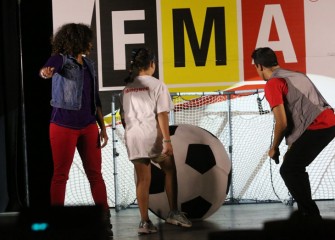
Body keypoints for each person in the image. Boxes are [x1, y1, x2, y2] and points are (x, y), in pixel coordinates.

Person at [39, 23, 113, 237]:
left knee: (96, 175)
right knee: (61, 175)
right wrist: (45, 72)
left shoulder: (89, 64)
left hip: (88, 126)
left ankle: (104, 221)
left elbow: (95, 99)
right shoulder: (62, 60)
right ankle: (56, 222)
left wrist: (102, 127)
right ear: (77, 41)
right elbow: (49, 67)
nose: (90, 43)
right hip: (63, 126)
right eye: (88, 40)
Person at [251, 47, 335, 220]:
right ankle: (308, 213)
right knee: (293, 167)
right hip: (329, 123)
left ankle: (311, 216)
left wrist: (274, 147)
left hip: (317, 126)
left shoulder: (273, 84)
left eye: (255, 67)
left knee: (289, 169)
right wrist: (291, 146)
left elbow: (282, 123)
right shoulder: (296, 75)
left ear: (259, 66)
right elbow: (302, 112)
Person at [119, 47, 192, 234]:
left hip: (133, 137)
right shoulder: (157, 85)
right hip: (152, 136)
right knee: (170, 169)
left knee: (143, 179)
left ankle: (144, 222)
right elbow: (162, 114)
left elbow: (123, 116)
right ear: (152, 64)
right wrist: (167, 140)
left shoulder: (127, 87)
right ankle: (174, 213)